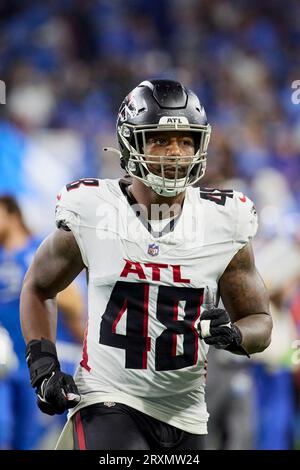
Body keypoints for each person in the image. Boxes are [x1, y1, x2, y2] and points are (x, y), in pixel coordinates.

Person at [20, 79, 272, 450]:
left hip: (185, 410)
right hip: (108, 398)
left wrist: (234, 335)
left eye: (186, 141)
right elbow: (39, 286)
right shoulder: (93, 211)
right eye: (160, 139)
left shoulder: (224, 221)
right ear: (130, 142)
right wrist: (43, 366)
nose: (175, 153)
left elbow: (260, 322)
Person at [0, 195, 84, 449]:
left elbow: (74, 305)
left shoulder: (39, 250)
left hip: (46, 362)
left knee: (56, 438)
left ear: (13, 216)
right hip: (9, 364)